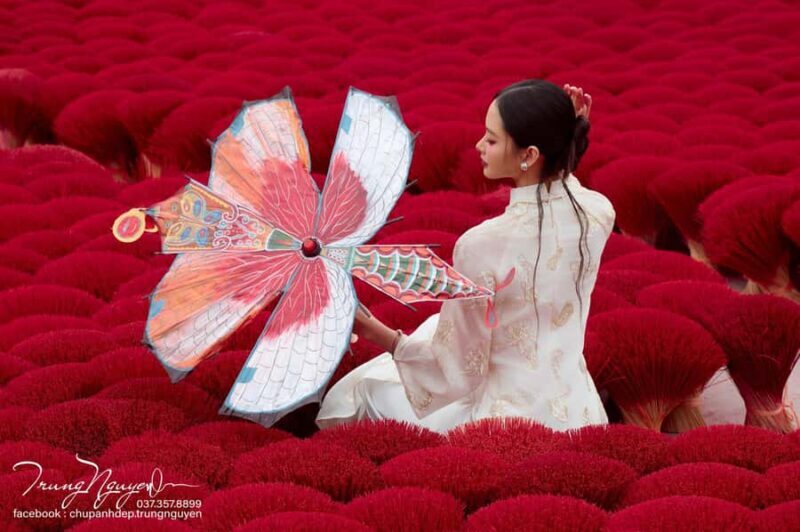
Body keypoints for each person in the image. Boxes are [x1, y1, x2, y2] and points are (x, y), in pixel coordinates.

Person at [316, 80, 616, 433]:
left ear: (530, 155)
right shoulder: (599, 213)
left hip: (502, 426)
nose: (479, 146)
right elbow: (566, 188)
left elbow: (456, 369)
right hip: (580, 415)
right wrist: (568, 136)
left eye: (491, 139)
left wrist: (378, 333)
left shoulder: (481, 244)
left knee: (360, 392)